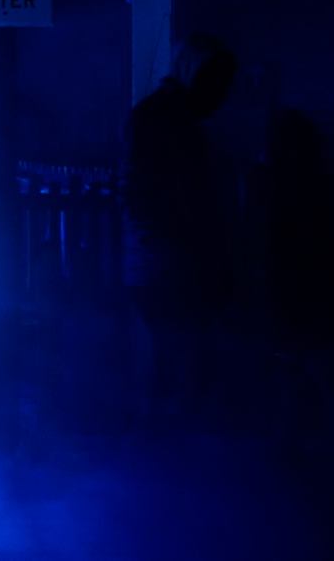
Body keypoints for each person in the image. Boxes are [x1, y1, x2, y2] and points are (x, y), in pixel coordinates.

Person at [120, 34, 238, 429]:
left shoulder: (156, 117)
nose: (221, 96)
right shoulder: (175, 125)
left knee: (172, 359)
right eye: (214, 84)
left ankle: (162, 445)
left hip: (157, 262)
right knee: (184, 361)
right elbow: (180, 200)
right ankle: (170, 447)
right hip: (172, 263)